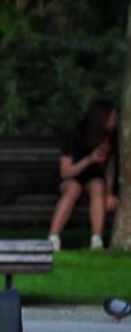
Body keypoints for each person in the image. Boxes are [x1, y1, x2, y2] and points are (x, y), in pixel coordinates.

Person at [48, 97, 119, 251]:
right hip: (71, 175)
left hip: (93, 176)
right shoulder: (75, 134)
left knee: (98, 186)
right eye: (112, 118)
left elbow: (110, 168)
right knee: (74, 189)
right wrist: (90, 159)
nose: (115, 122)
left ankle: (96, 240)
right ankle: (53, 238)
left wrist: (109, 193)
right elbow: (65, 172)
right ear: (101, 118)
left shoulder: (111, 136)